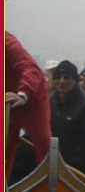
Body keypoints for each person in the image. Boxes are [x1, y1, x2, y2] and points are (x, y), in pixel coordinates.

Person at [49, 60, 85, 177]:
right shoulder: (50, 102)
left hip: (81, 170)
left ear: (74, 80)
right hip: (56, 166)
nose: (62, 81)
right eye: (58, 77)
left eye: (66, 77)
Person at [5, 32, 51, 181]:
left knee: (43, 143)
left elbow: (31, 69)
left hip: (32, 99)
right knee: (5, 149)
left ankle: (49, 183)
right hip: (8, 103)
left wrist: (23, 94)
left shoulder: (7, 42)